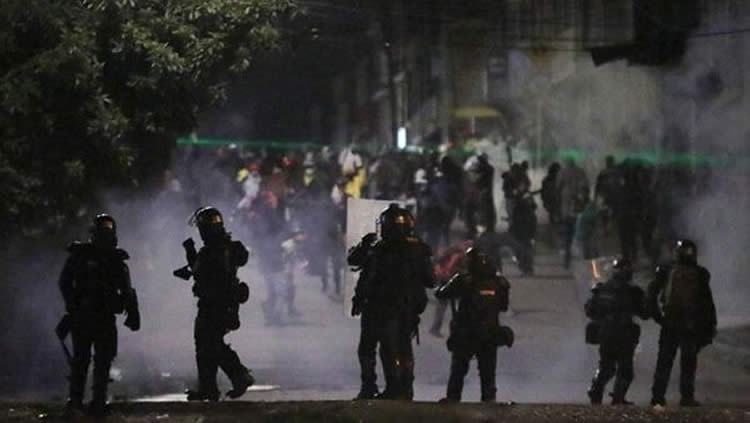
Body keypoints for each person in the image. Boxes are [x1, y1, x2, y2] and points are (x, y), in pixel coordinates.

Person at [58, 214, 140, 416]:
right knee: (83, 360)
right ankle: (78, 401)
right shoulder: (80, 256)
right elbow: (65, 283)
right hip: (85, 316)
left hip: (102, 316)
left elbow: (127, 290)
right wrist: (73, 305)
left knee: (100, 360)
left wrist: (132, 312)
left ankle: (95, 401)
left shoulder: (115, 260)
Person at [351, 204, 434, 400]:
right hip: (404, 307)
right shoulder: (418, 249)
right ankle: (402, 388)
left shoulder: (378, 248)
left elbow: (357, 265)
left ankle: (384, 387)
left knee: (376, 348)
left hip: (381, 305)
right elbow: (430, 280)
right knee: (401, 347)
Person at [181, 207, 254, 401]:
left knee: (208, 344)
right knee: (210, 344)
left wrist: (190, 253)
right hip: (222, 303)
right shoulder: (227, 247)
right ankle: (210, 387)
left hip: (215, 304)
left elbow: (201, 272)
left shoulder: (215, 249)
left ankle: (236, 376)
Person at [436, 247, 512, 403]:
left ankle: (453, 399)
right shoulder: (499, 283)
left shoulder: (463, 280)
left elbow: (441, 293)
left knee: (458, 369)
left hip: (466, 333)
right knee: (488, 372)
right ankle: (489, 401)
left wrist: (447, 282)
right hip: (490, 333)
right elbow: (503, 306)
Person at [648, 240, 717, 408]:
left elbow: (651, 294)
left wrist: (658, 316)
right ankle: (686, 397)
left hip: (671, 322)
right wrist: (709, 325)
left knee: (665, 361)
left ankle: (658, 397)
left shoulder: (666, 270)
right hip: (689, 324)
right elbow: (707, 303)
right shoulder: (700, 273)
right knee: (688, 362)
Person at [584, 258, 648, 405]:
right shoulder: (633, 292)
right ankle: (617, 397)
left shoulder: (602, 289)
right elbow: (644, 314)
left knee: (606, 366)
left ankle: (596, 389)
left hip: (606, 333)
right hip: (623, 334)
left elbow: (590, 311)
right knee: (625, 369)